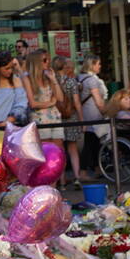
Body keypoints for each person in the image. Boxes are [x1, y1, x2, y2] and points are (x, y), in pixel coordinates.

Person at [26, 47, 64, 178]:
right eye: (44, 60)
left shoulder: (49, 78)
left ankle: (57, 186)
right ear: (37, 63)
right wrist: (50, 103)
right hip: (40, 119)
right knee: (45, 154)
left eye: (48, 59)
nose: (48, 62)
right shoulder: (28, 79)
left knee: (57, 153)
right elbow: (33, 104)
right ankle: (45, 184)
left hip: (54, 117)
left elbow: (60, 98)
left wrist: (54, 79)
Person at [53, 56, 84, 187]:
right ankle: (77, 177)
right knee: (73, 149)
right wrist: (82, 120)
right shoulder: (71, 81)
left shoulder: (51, 81)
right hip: (71, 117)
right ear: (64, 66)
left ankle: (62, 181)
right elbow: (77, 102)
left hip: (57, 118)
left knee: (59, 151)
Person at [77, 55, 108, 181]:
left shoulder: (80, 78)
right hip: (93, 114)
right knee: (90, 143)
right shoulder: (92, 80)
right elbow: (98, 101)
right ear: (92, 65)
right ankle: (83, 171)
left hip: (86, 113)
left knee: (94, 143)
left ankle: (97, 169)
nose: (100, 66)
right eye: (98, 64)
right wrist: (105, 112)